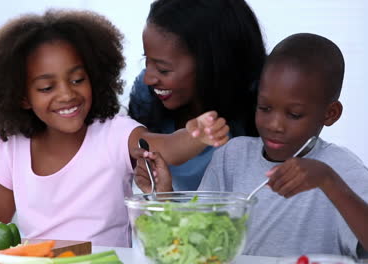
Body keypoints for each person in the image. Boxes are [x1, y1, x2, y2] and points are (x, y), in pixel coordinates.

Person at [0, 9, 229, 247]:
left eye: (77, 79)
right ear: (21, 97)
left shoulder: (114, 133)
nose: (67, 94)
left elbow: (165, 147)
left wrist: (196, 134)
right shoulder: (13, 145)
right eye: (47, 87)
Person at [140, 33, 368, 257]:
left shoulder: (341, 169)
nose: (275, 125)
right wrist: (164, 196)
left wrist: (328, 181)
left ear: (330, 114)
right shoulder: (232, 157)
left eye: (294, 114)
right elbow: (197, 241)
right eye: (265, 108)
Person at [128, 0, 266, 191]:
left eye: (163, 69)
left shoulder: (261, 110)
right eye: (146, 61)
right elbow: (127, 144)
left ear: (213, 64)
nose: (149, 79)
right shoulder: (147, 98)